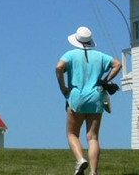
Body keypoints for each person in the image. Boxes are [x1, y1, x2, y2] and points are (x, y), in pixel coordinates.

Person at [56, 26, 122, 175]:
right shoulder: (100, 55)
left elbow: (59, 67)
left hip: (76, 97)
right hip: (96, 96)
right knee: (93, 137)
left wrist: (63, 86)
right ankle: (94, 172)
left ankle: (80, 159)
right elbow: (118, 64)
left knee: (72, 134)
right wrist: (105, 80)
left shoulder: (70, 55)